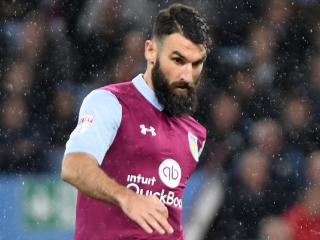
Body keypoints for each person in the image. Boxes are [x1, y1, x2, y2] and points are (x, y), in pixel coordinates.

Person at [61, 3, 211, 240]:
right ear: (151, 51)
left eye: (196, 63)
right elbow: (73, 167)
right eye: (178, 60)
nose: (187, 75)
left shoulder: (195, 133)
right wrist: (127, 197)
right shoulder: (109, 102)